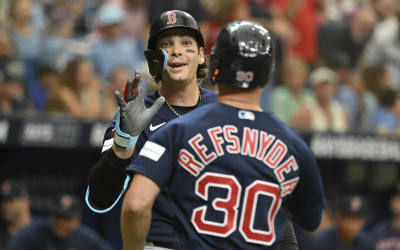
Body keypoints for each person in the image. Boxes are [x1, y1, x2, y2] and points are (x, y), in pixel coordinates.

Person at [120, 19, 325, 250]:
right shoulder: (294, 145)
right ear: (268, 73)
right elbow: (310, 221)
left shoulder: (176, 130)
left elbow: (136, 206)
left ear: (214, 67)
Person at [86, 9, 217, 249]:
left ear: (200, 55)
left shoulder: (223, 110)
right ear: (154, 59)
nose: (176, 50)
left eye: (186, 43)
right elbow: (99, 199)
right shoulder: (134, 113)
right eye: (166, 44)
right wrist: (124, 141)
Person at [6, 193, 113, 250]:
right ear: (51, 216)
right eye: (58, 217)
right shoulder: (35, 232)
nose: (61, 223)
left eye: (66, 219)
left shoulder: (87, 239)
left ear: (77, 220)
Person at [0, 180, 31, 249]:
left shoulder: (41, 234)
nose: (4, 206)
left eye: (9, 201)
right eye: (2, 201)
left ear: (25, 201)